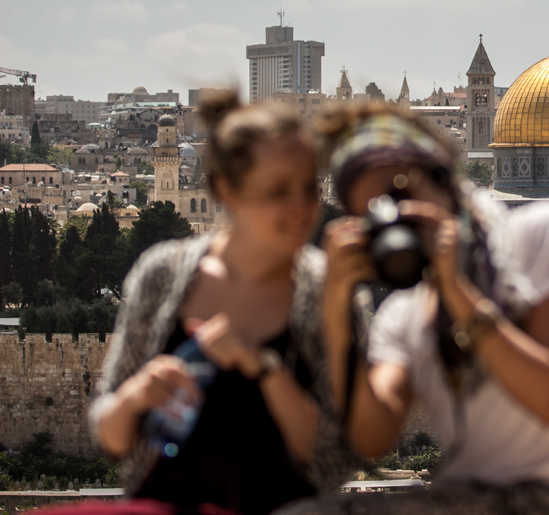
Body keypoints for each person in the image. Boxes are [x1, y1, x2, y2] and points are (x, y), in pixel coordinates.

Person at [313, 103, 549, 515]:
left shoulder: (544, 237)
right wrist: (337, 315)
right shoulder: (405, 314)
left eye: (399, 196)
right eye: (372, 215)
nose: (396, 221)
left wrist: (459, 294)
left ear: (444, 180)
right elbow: (372, 437)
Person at [89, 93, 365, 515]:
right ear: (225, 189)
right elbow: (112, 436)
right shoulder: (161, 275)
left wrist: (264, 369)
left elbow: (336, 458)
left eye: (308, 186)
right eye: (277, 190)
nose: (300, 207)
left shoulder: (331, 289)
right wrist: (138, 394)